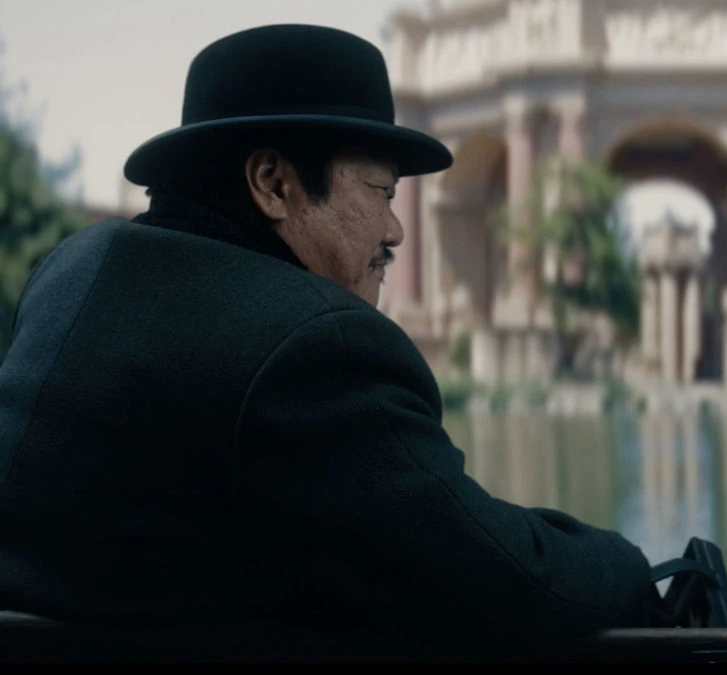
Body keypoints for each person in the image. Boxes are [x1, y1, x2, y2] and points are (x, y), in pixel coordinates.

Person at [0, 24, 666, 658]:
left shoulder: (69, 273)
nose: (395, 229)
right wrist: (643, 571)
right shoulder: (309, 346)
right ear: (273, 183)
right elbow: (511, 584)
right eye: (381, 191)